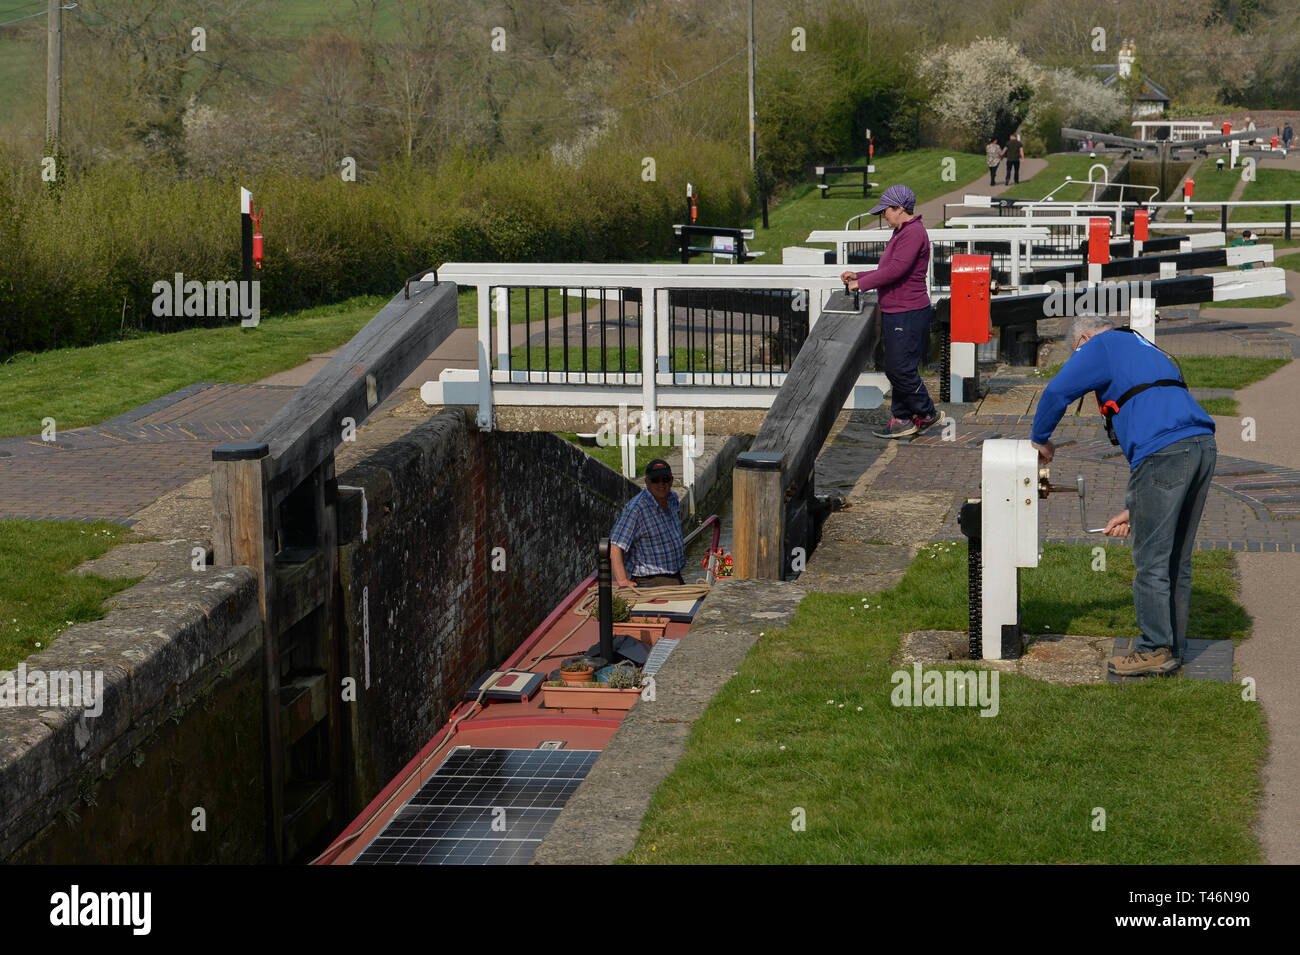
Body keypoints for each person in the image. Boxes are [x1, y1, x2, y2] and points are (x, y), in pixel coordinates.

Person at [1030, 315, 1217, 677]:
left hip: (1162, 451)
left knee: (1150, 559)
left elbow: (1057, 391)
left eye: (1075, 351)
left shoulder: (1099, 345)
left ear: (1083, 338)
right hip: (1202, 445)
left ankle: (1153, 649)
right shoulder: (1143, 345)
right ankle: (1173, 646)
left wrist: (1040, 439)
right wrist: (1137, 509)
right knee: (1176, 556)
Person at [840, 184, 940, 439]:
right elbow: (888, 268)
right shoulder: (902, 232)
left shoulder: (913, 233)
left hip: (908, 310)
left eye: (886, 210)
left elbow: (896, 271)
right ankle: (902, 418)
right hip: (898, 309)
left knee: (899, 369)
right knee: (898, 365)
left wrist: (860, 284)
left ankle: (926, 413)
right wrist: (859, 274)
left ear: (900, 209)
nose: (883, 215)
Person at [610, 458, 685, 588]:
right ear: (647, 482)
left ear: (671, 480)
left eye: (665, 479)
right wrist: (622, 581)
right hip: (651, 580)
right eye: (655, 480)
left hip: (674, 574)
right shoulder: (637, 509)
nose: (661, 484)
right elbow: (616, 546)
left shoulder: (673, 499)